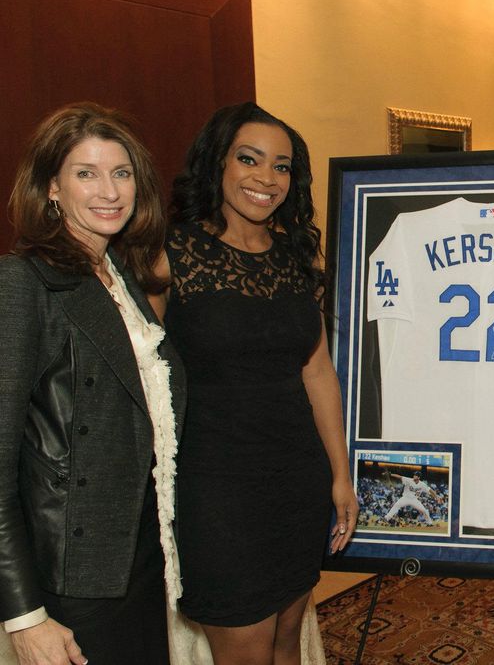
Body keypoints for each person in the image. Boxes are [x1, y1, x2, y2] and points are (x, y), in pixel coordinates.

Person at [151, 102, 357, 665]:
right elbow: (136, 376)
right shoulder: (169, 256)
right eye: (250, 159)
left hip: (296, 478)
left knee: (289, 639)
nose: (267, 179)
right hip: (216, 488)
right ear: (218, 162)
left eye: (283, 166)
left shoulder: (293, 256)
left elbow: (316, 370)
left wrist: (341, 475)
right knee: (242, 645)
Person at [0, 103, 185, 665]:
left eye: (121, 173)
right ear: (52, 187)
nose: (109, 190)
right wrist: (25, 616)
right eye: (86, 173)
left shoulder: (121, 276)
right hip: (71, 580)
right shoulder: (24, 281)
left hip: (141, 558)